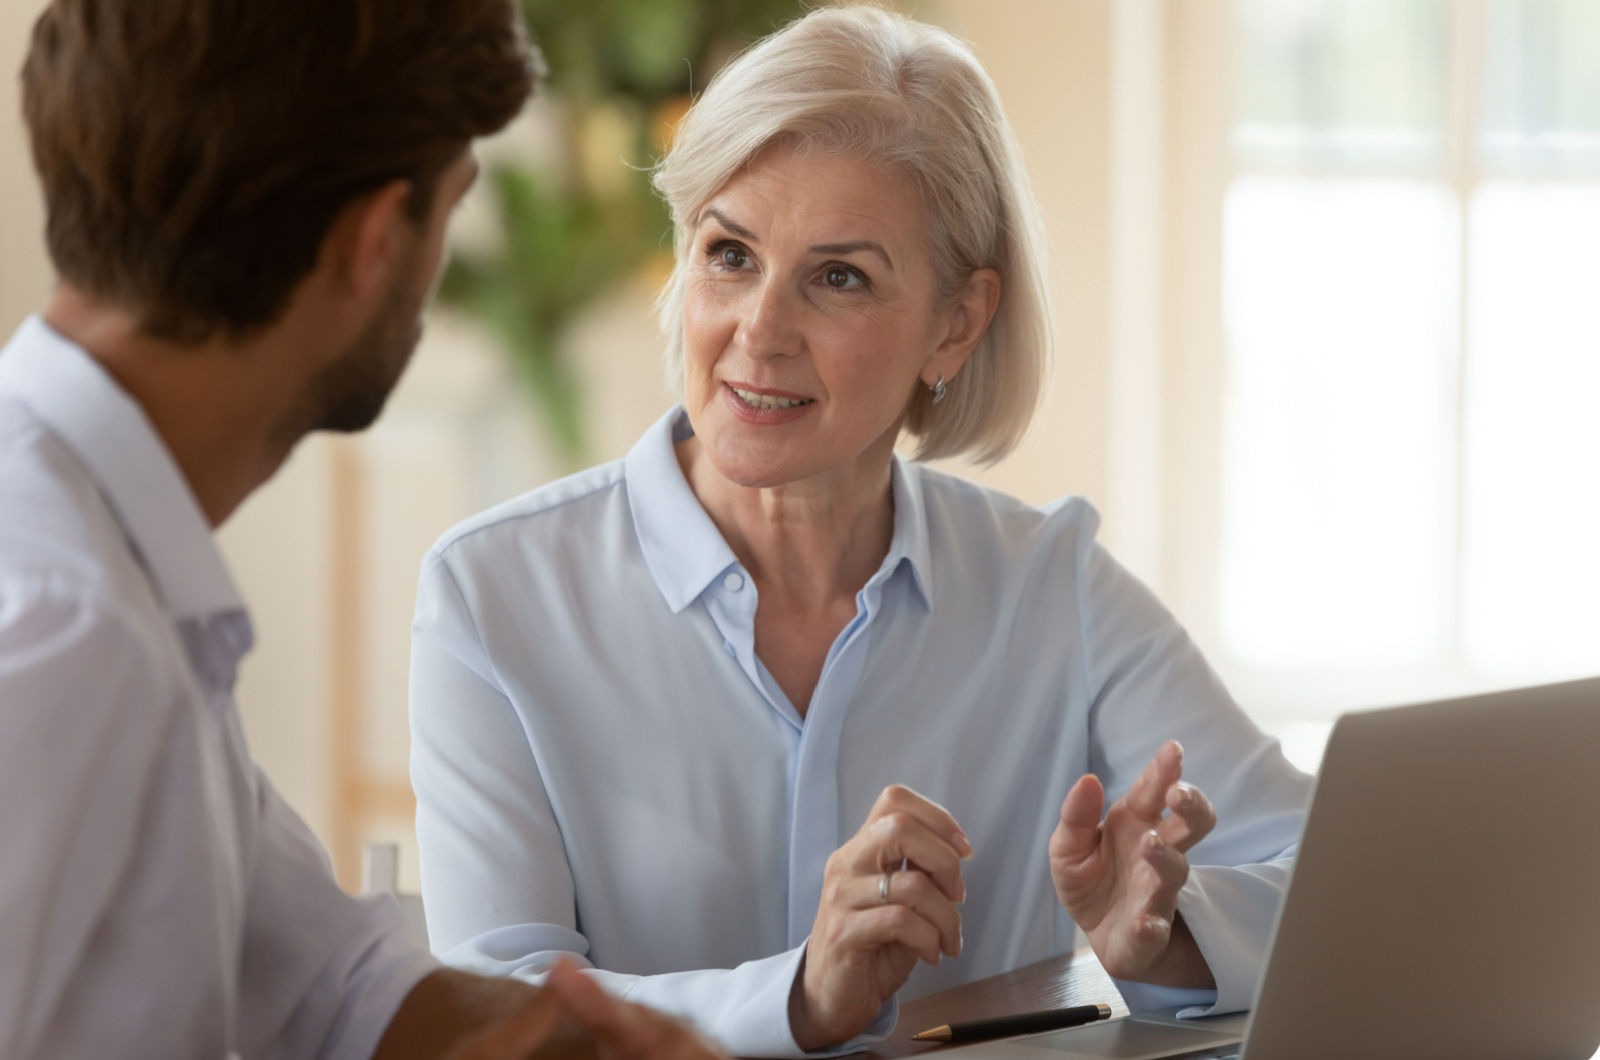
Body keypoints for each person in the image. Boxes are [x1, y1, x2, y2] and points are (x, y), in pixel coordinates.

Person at [409, 6, 1312, 1059]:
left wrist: (1158, 938)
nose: (759, 331)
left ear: (956, 323)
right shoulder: (492, 594)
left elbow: (1327, 872)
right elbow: (495, 1017)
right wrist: (797, 995)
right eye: (730, 253)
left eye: (838, 276)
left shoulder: (1049, 586)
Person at [0, 3, 729, 1059]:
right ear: (374, 244)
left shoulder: (122, 573)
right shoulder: (70, 626)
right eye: (450, 215)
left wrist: (595, 1036)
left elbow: (332, 984)